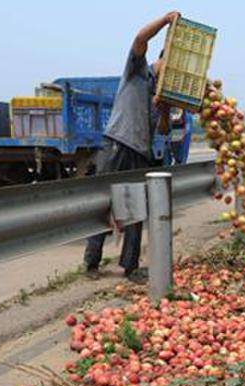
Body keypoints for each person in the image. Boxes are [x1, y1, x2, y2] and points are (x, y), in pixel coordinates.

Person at [84, 11, 181, 281]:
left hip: (141, 152)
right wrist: (165, 20)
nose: (168, 75)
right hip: (116, 144)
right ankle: (92, 263)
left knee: (136, 211)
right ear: (161, 61)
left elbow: (163, 130)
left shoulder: (164, 93)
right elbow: (140, 38)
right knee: (105, 205)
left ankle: (130, 267)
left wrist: (162, 109)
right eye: (168, 68)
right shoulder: (137, 71)